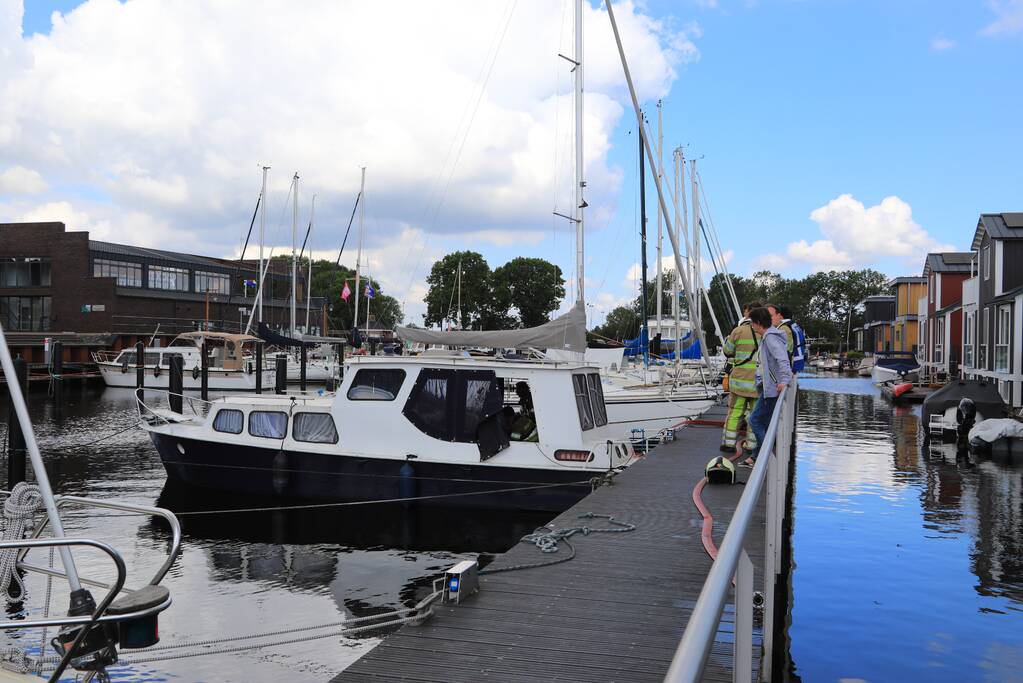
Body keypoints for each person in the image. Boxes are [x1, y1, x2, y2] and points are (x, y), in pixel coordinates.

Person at [742, 306, 792, 467]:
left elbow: (782, 359)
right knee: (763, 421)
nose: (751, 326)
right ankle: (756, 457)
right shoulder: (769, 336)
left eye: (752, 323)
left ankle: (768, 457)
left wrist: (784, 379)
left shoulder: (770, 338)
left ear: (758, 322)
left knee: (755, 420)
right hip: (768, 385)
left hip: (771, 387)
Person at [720, 301, 763, 452]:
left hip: (739, 382)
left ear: (748, 312)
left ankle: (728, 444)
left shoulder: (738, 331)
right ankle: (751, 445)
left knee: (735, 413)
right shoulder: (765, 331)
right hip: (757, 383)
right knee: (754, 416)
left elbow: (727, 351)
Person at [768, 303, 807, 372]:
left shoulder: (784, 328)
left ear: (780, 316)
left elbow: (784, 351)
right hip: (798, 362)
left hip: (791, 366)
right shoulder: (794, 326)